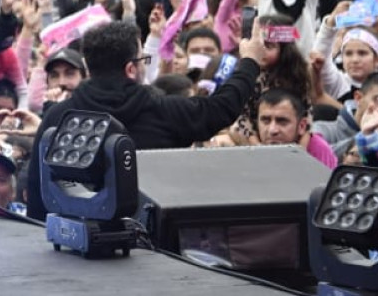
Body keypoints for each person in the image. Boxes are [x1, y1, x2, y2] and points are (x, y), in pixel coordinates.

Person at [26, 20, 264, 220]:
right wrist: (250, 62)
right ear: (131, 69)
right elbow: (221, 108)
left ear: (89, 67)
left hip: (72, 248)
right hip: (153, 247)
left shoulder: (58, 118)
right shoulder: (165, 111)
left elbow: (38, 193)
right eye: (143, 60)